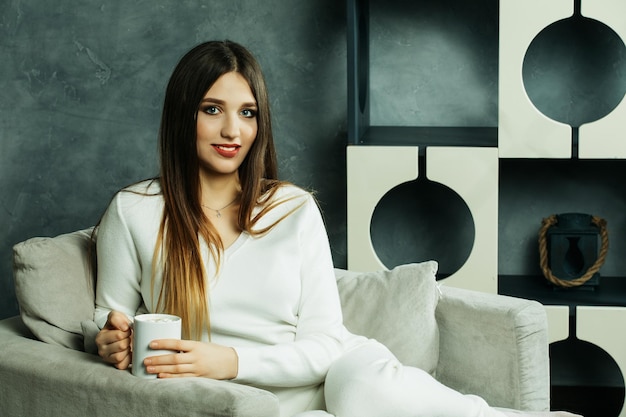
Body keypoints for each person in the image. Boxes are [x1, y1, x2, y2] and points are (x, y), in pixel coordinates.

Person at [93, 40, 580, 417]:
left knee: (369, 390)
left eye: (247, 113)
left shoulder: (292, 208)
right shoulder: (135, 211)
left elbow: (326, 344)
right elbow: (106, 317)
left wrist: (231, 361)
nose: (232, 132)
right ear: (183, 115)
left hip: (336, 376)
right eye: (212, 109)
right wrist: (108, 337)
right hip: (242, 404)